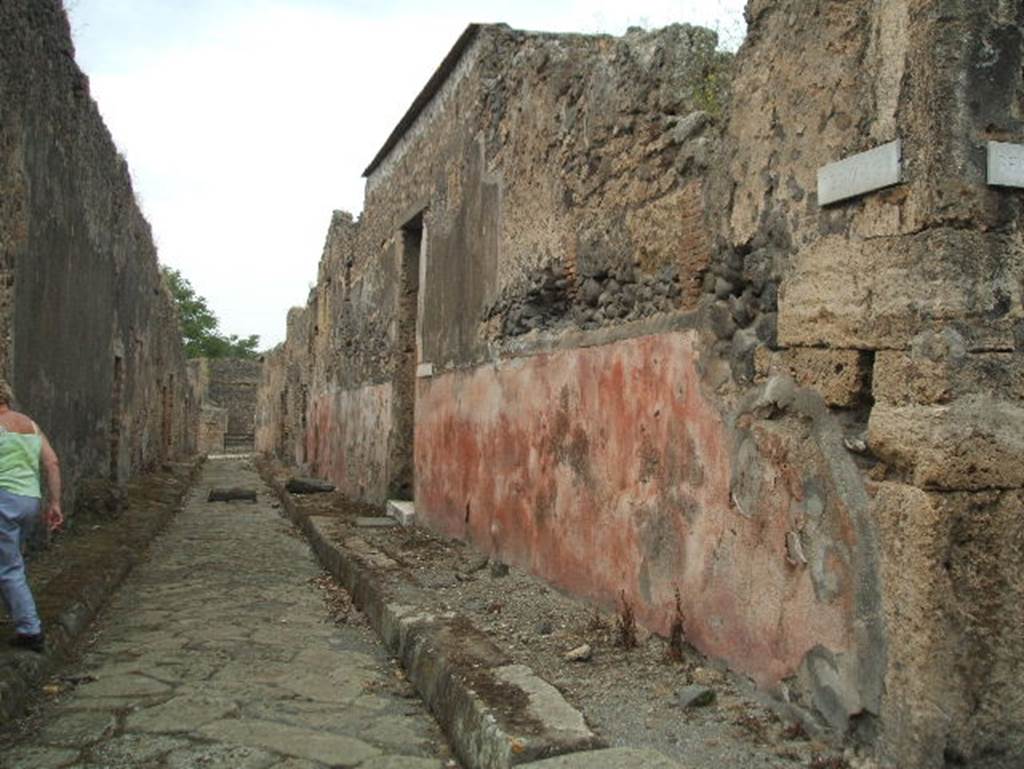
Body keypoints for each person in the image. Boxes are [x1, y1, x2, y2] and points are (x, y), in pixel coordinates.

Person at [0, 378, 62, 653]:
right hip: (29, 500)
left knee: (9, 567)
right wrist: (55, 502)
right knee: (10, 560)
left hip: (4, 499)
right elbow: (52, 462)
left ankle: (30, 629)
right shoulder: (30, 425)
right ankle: (20, 617)